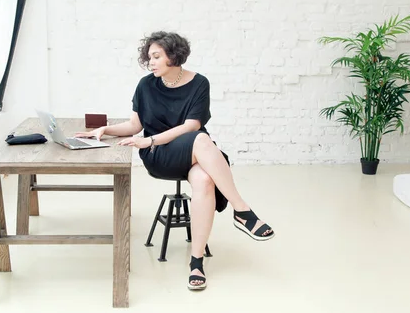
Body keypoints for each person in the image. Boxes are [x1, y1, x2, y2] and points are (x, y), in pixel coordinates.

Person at [76, 31, 274, 291]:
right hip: (160, 156)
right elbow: (135, 125)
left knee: (204, 178)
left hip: (191, 152)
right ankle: (242, 211)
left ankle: (197, 261)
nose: (151, 63)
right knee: (202, 140)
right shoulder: (146, 85)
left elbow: (192, 125)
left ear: (174, 56)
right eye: (149, 58)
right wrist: (104, 129)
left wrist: (151, 139)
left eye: (157, 56)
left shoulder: (199, 83)